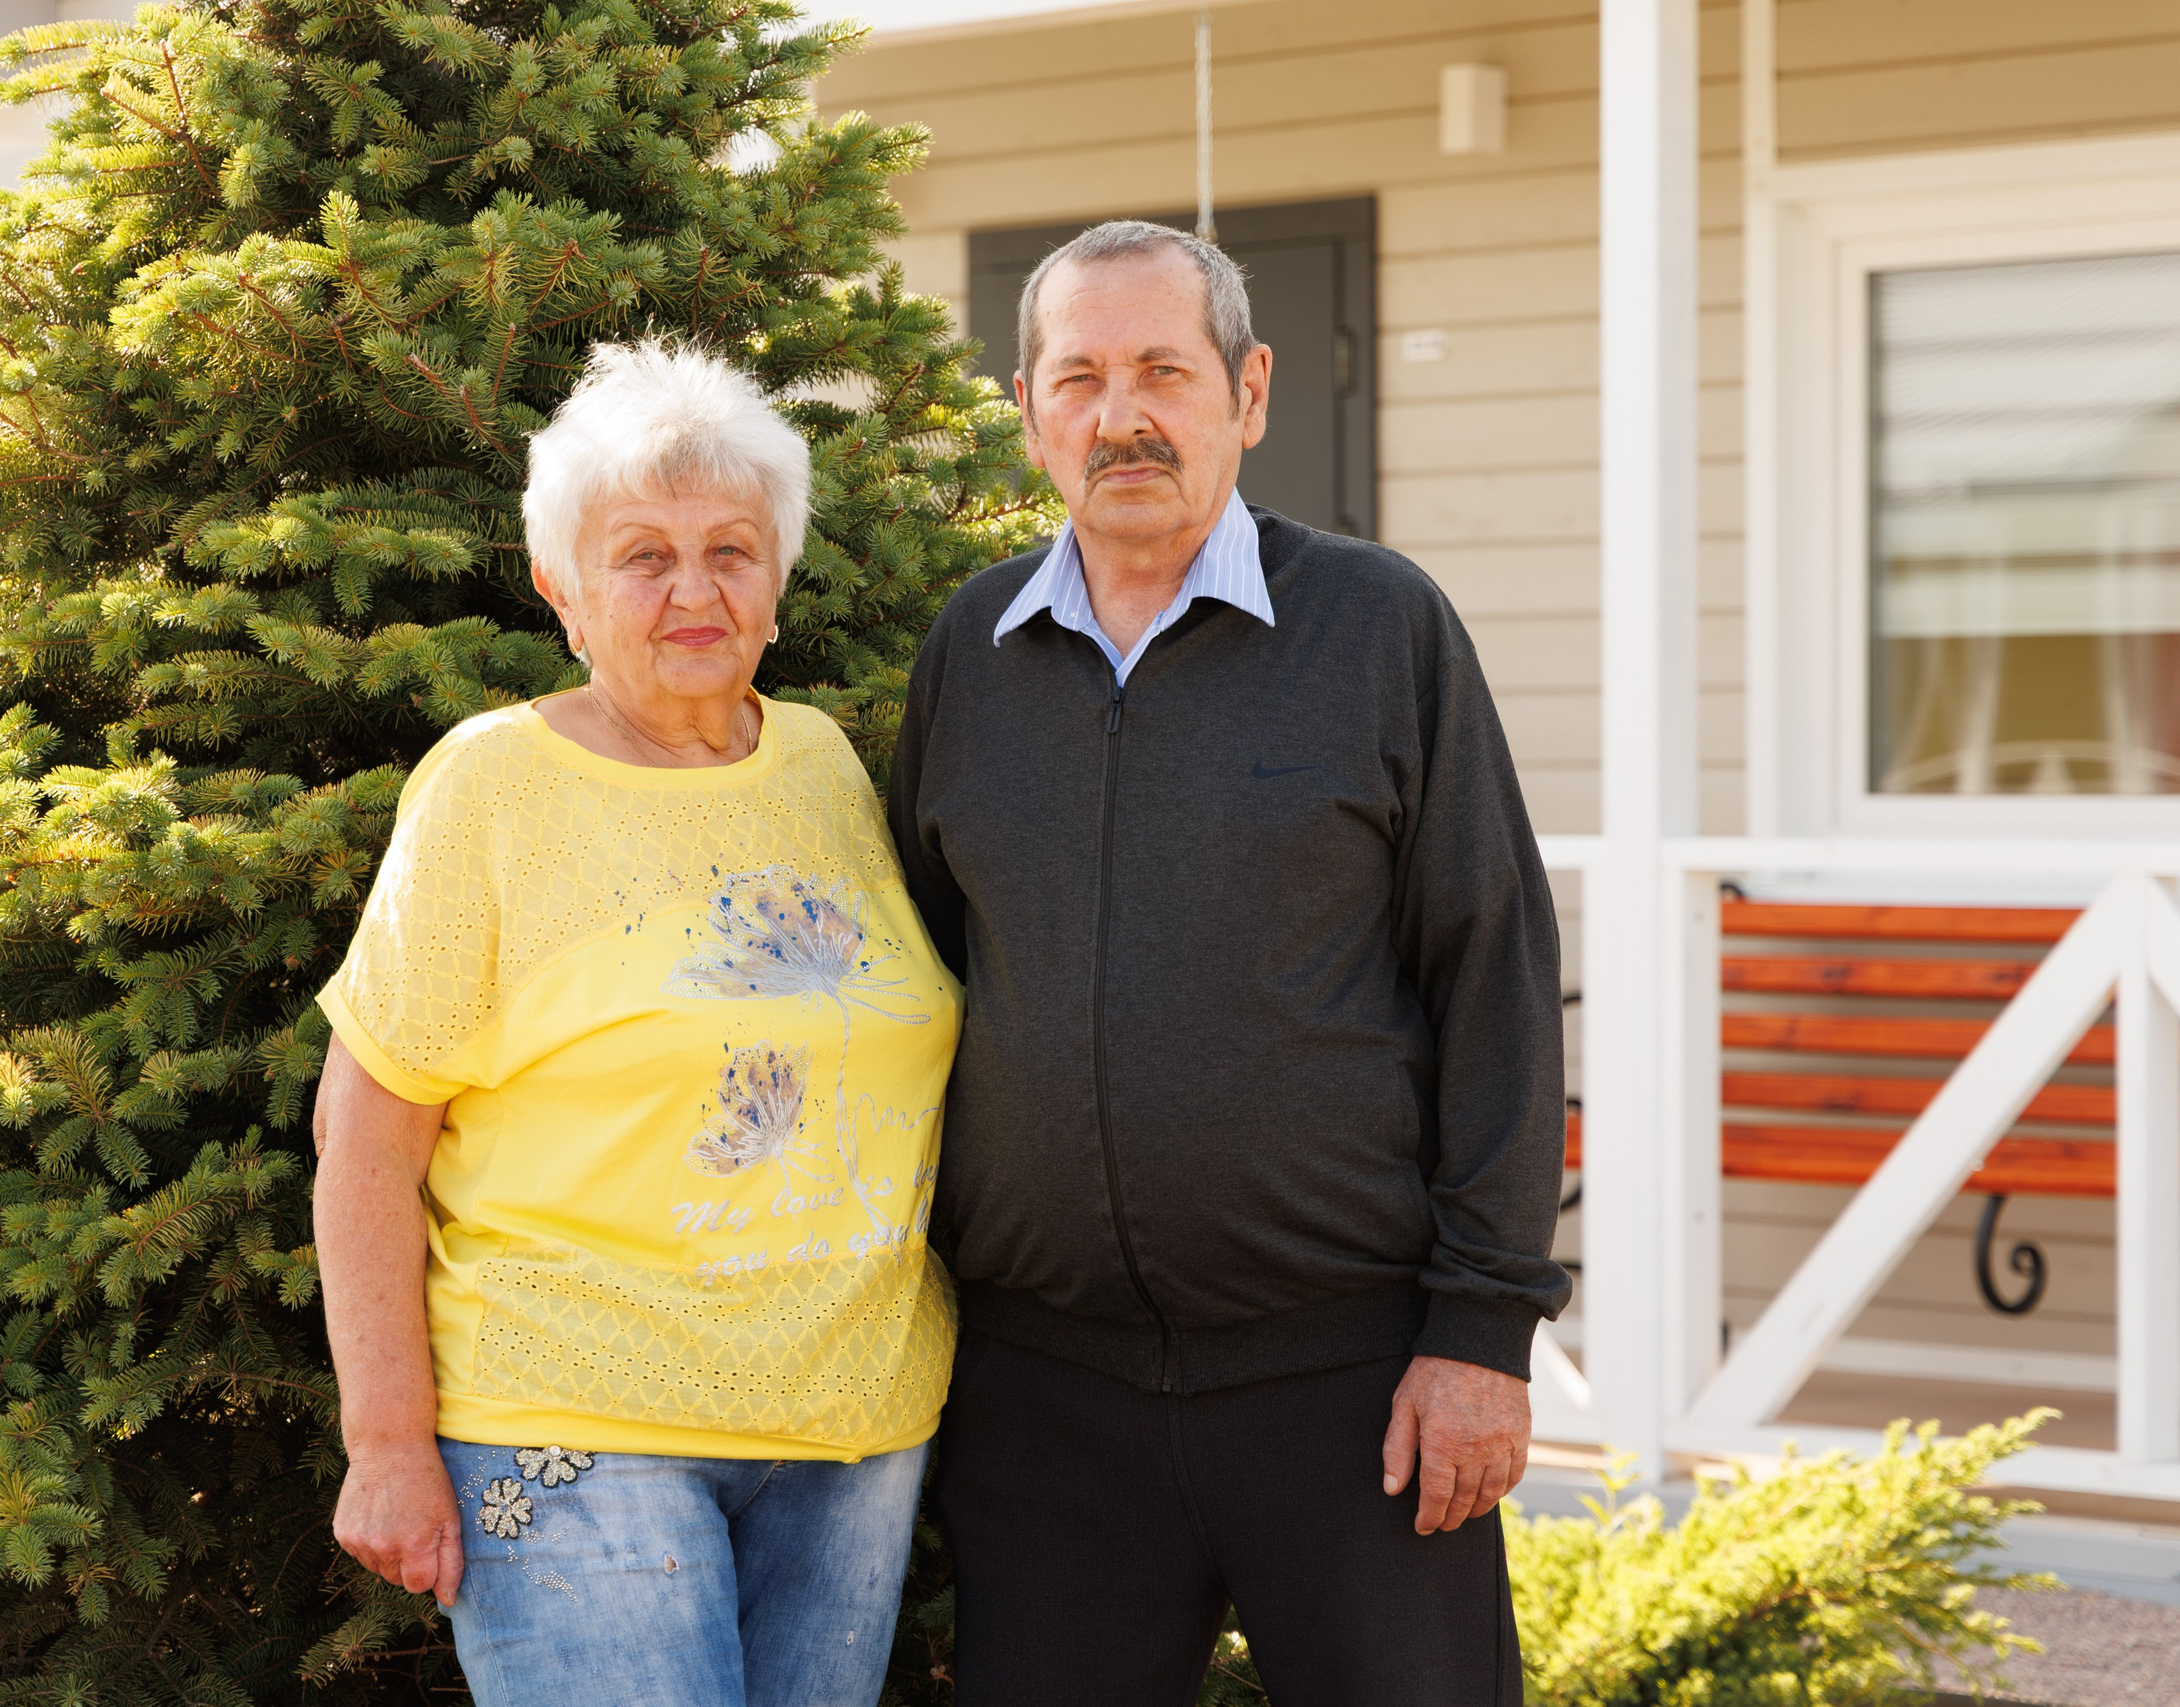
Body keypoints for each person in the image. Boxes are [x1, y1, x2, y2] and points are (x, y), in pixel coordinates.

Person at [886, 220, 1571, 1705]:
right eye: (1078, 377)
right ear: (1029, 409)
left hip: (1353, 1393)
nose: (1120, 416)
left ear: (1248, 392)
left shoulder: (1381, 628)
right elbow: (922, 981)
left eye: (1161, 371)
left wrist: (1481, 1335)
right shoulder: (971, 656)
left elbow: (1494, 978)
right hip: (1046, 1405)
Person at [312, 342, 960, 1707]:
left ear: (778, 579)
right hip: (568, 1433)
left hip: (852, 1431)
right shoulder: (493, 788)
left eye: (731, 549)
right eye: (641, 556)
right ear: (563, 589)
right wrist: (385, 1439)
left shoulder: (825, 765)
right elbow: (366, 1137)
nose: (692, 590)